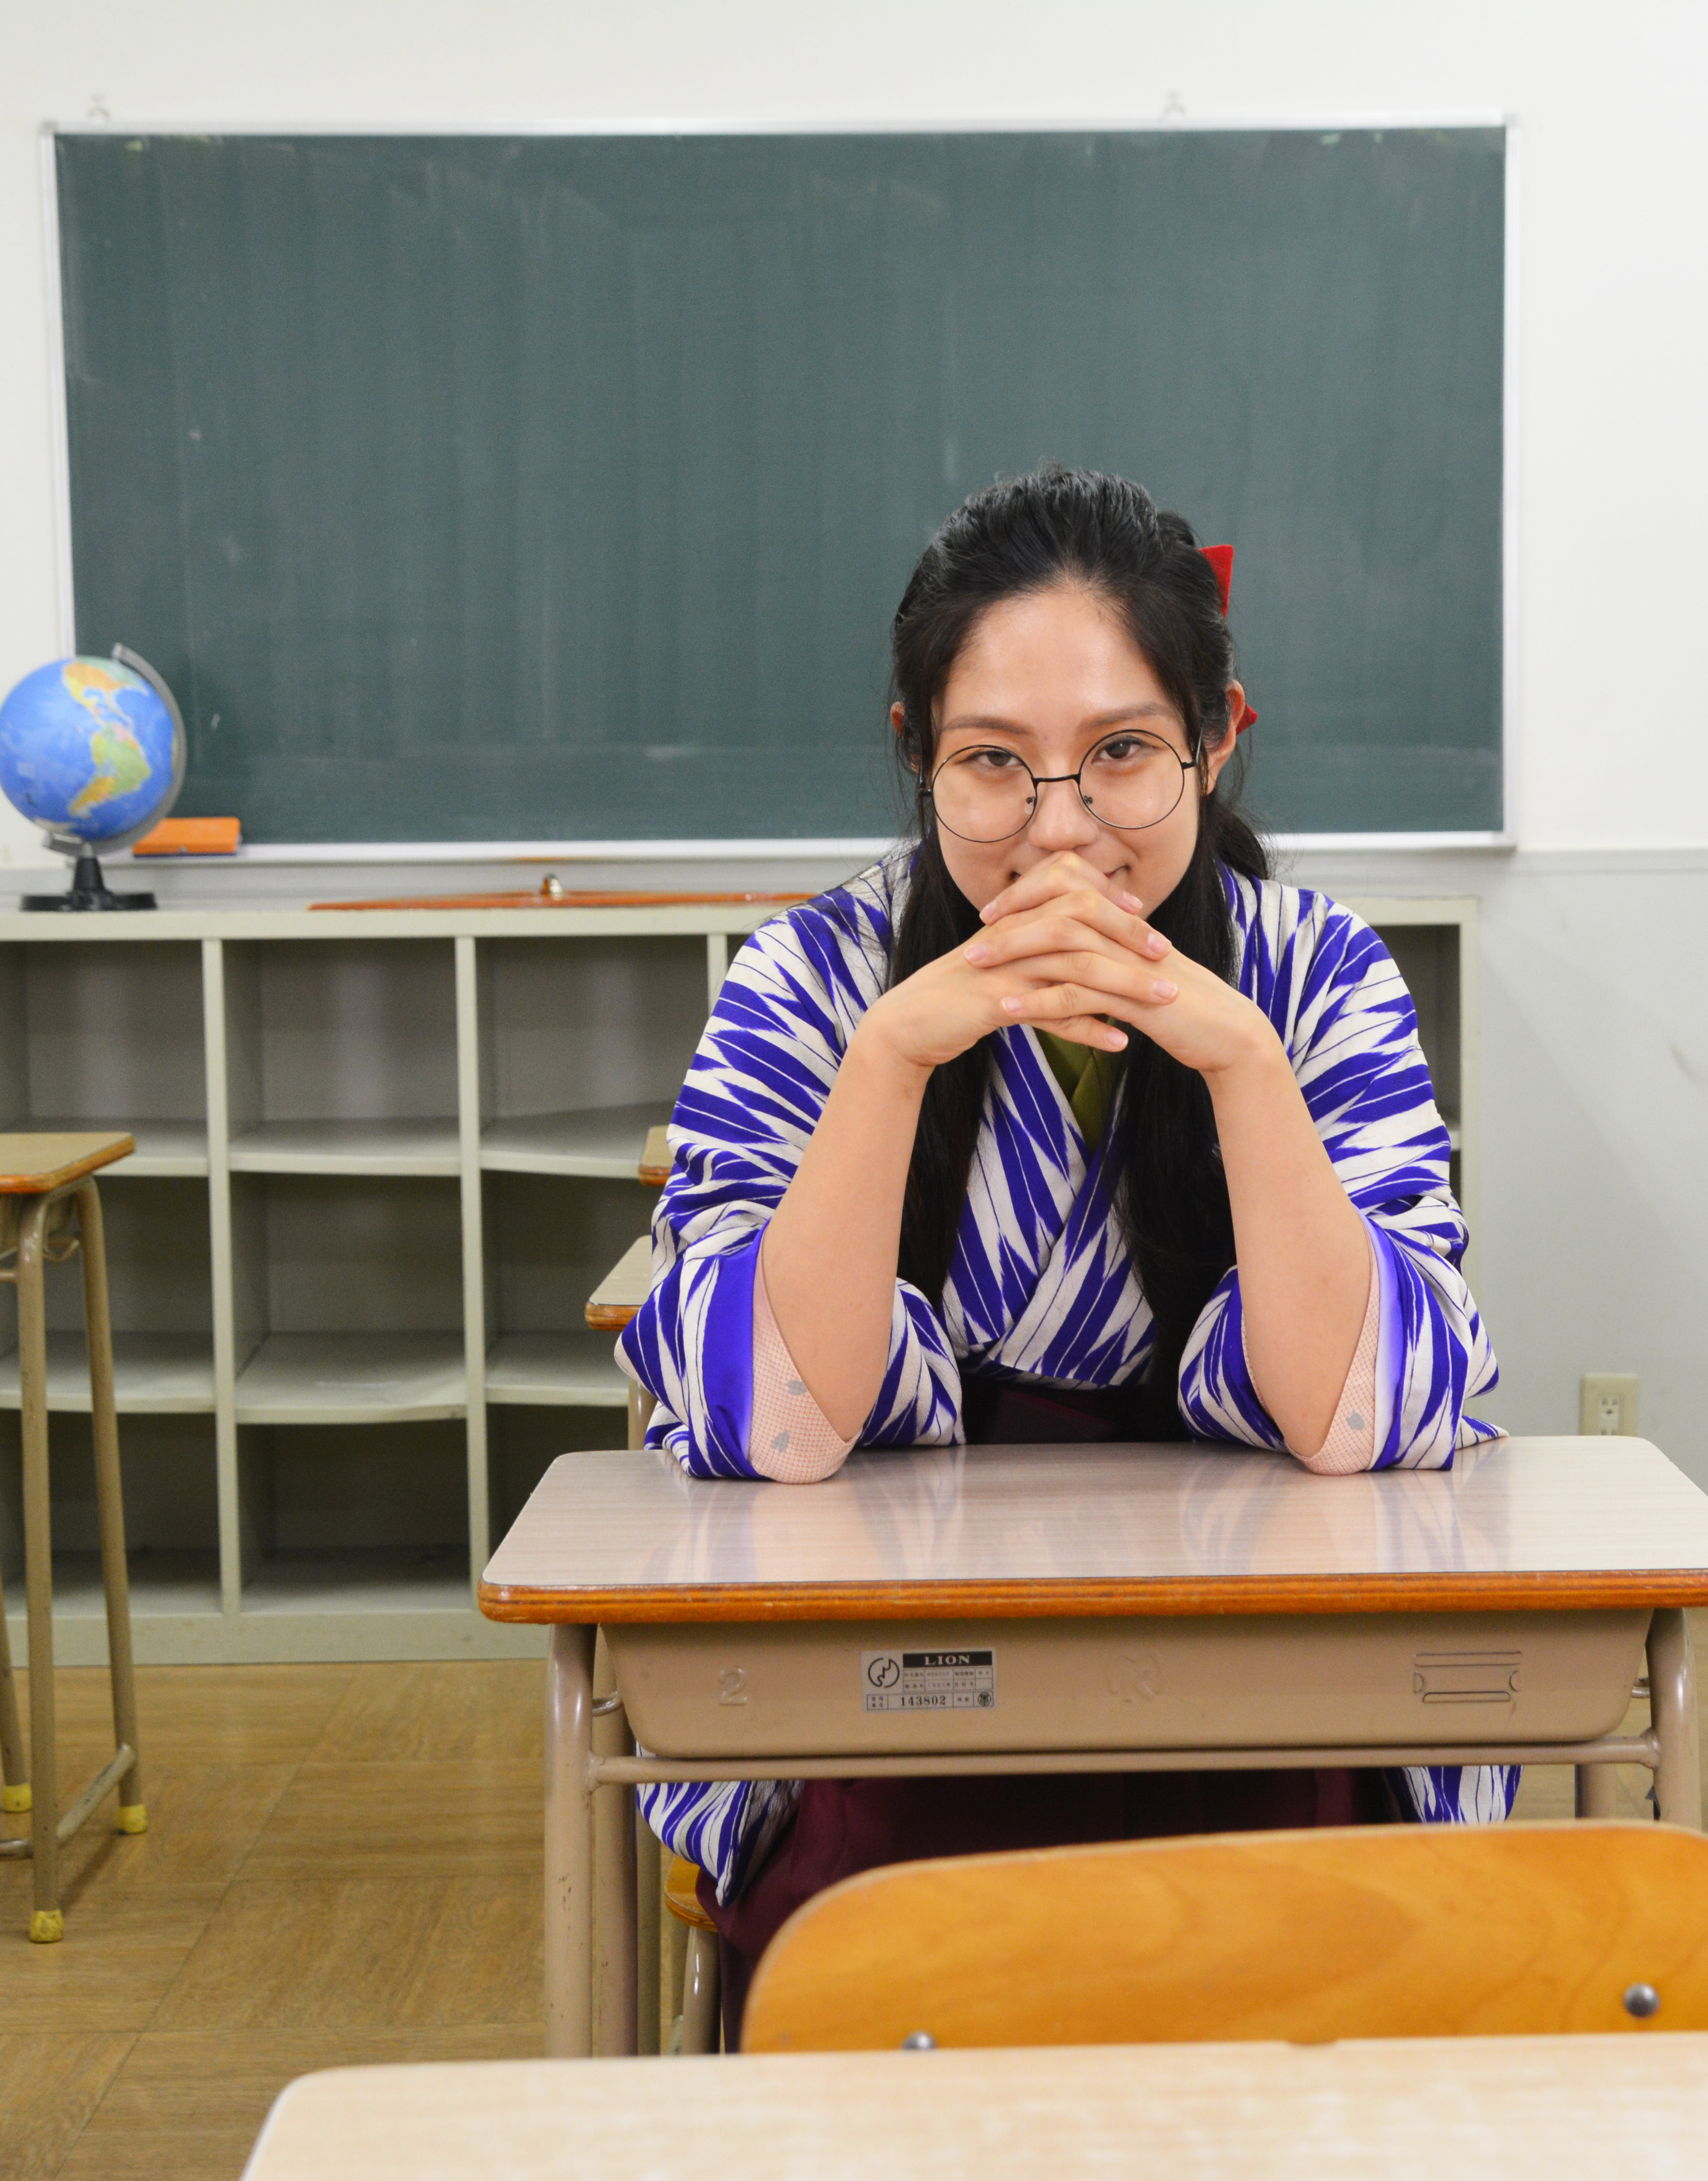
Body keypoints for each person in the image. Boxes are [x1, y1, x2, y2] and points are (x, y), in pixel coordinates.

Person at [619, 464, 1503, 1983]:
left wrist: (1242, 1063)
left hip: (1262, 1673)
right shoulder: (813, 982)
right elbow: (769, 1419)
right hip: (898, 1689)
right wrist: (892, 1058)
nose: (1062, 833)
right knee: (887, 1963)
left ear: (1218, 741)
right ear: (918, 756)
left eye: (1123, 755)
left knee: (1311, 1956)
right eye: (992, 764)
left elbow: (1363, 1414)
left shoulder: (1316, 977)